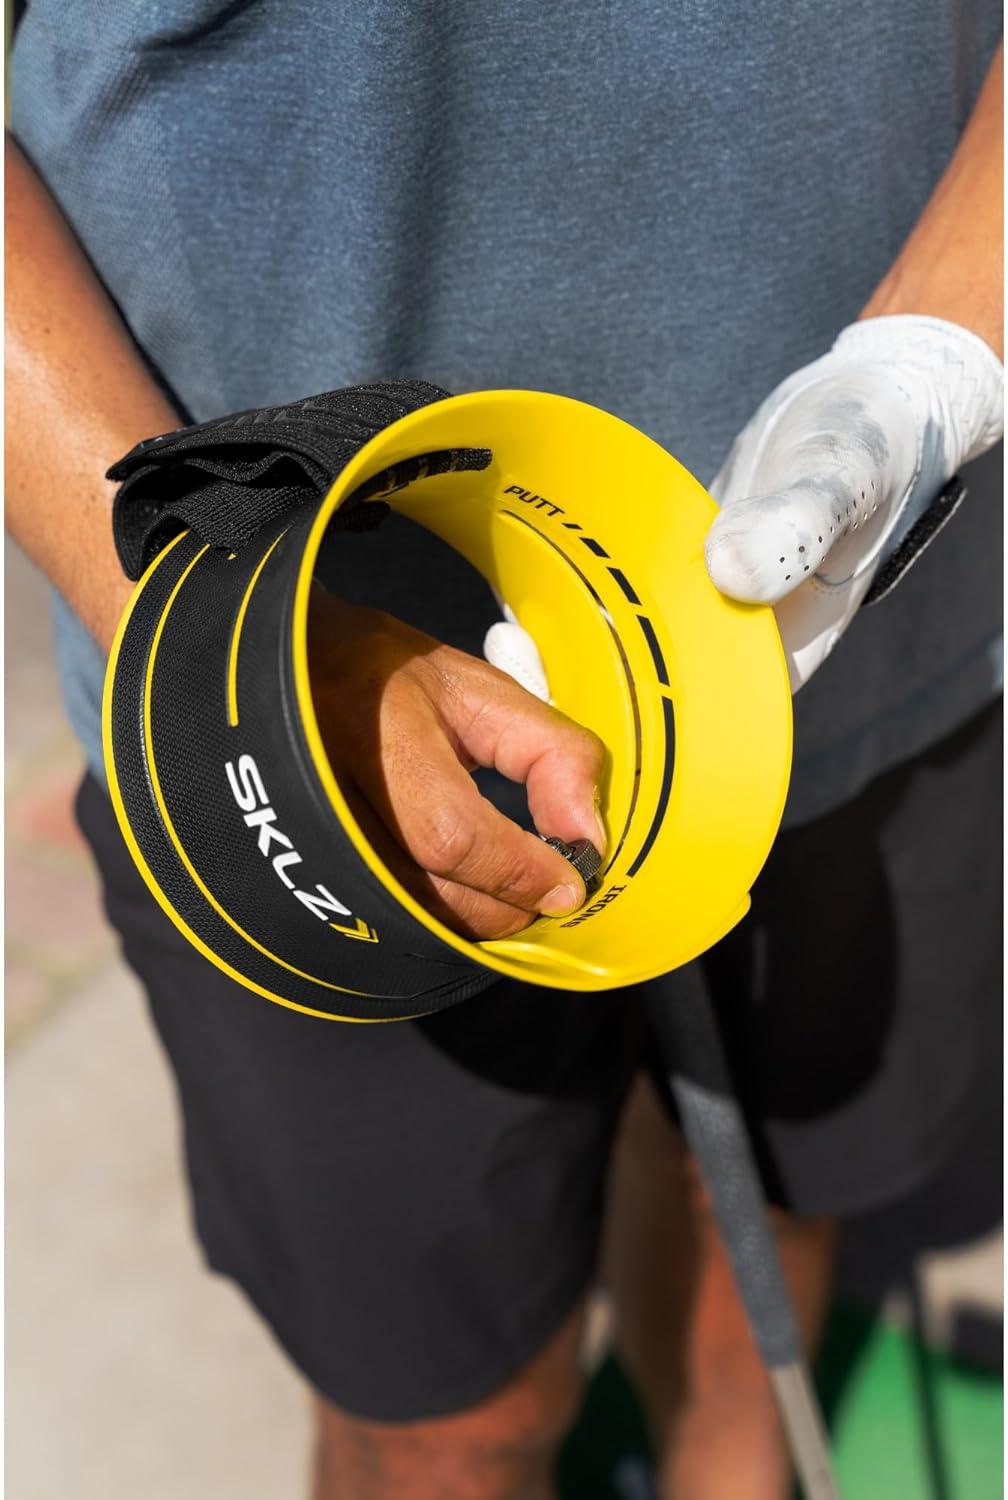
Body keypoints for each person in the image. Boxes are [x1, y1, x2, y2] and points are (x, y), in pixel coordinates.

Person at [6, 6, 1002, 1497]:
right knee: (447, 1431)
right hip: (296, 711)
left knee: (761, 1240)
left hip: (867, 581)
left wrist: (943, 350)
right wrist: (226, 647)